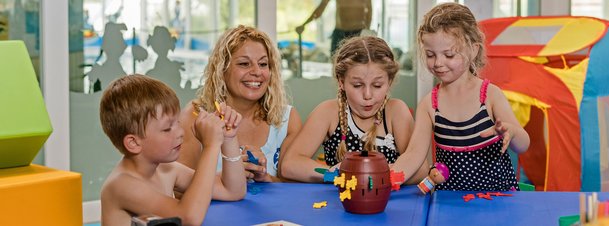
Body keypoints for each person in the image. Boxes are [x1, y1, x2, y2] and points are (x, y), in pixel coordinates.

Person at [390, 3, 530, 191]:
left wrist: (511, 132)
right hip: (449, 204)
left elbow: (523, 145)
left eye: (448, 55)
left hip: (497, 201)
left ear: (473, 50)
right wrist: (388, 178)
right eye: (431, 55)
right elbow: (414, 154)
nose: (438, 63)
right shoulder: (429, 105)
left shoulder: (490, 95)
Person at [99, 74, 246, 226]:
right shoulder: (122, 185)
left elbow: (232, 190)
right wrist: (211, 146)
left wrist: (228, 138)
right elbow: (189, 218)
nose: (181, 132)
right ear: (134, 143)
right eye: (167, 128)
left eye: (177, 122)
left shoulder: (166, 170)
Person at [280, 36, 420, 183]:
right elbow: (290, 165)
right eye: (357, 85)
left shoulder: (396, 112)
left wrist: (373, 174)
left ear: (389, 81)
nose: (367, 95)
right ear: (341, 82)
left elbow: (420, 171)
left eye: (377, 85)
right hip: (339, 203)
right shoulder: (328, 112)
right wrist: (335, 174)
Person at [177, 25, 301, 182]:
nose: (257, 72)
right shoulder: (196, 116)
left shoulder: (286, 120)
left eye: (263, 64)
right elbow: (177, 188)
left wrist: (266, 178)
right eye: (244, 64)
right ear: (222, 69)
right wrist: (229, 176)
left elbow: (296, 188)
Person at [296, 0, 373, 55]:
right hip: (340, 32)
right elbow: (320, 9)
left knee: (357, 64)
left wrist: (366, 31)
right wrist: (304, 24)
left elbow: (369, 12)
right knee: (336, 64)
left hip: (358, 33)